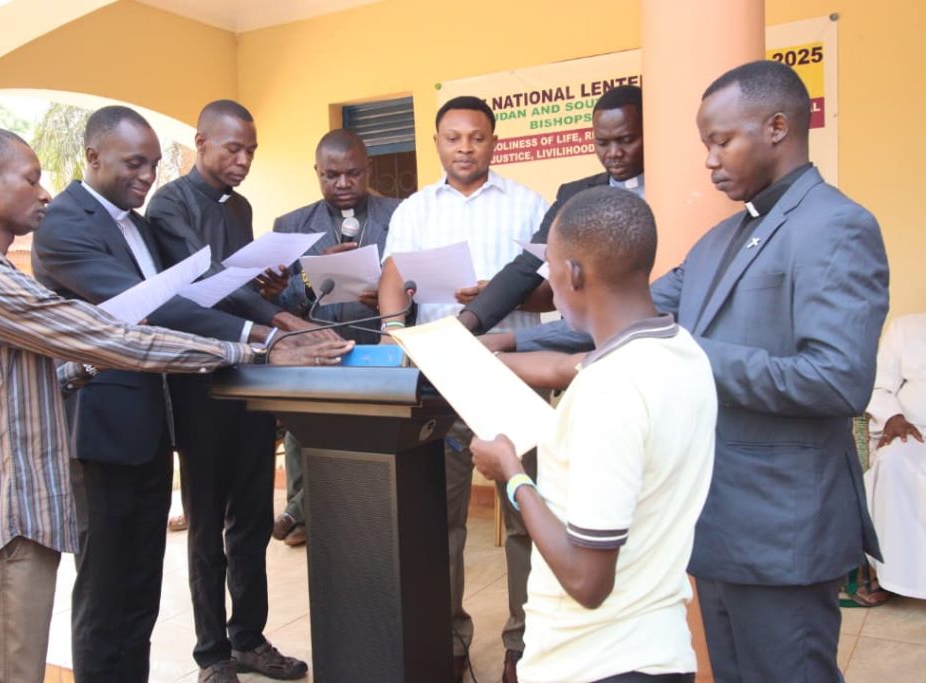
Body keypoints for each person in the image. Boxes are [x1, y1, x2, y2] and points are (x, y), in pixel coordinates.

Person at [0, 125, 346, 683]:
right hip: (2, 513)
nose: (44, 192)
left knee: (126, 606)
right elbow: (114, 335)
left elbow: (42, 367)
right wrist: (260, 347)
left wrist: (85, 366)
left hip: (68, 477)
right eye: (31, 178)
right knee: (18, 659)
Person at [508, 60, 889, 681]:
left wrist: (683, 354)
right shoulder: (722, 237)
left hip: (783, 528)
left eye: (721, 141)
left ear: (777, 128)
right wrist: (496, 339)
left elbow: (837, 378)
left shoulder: (837, 226)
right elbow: (626, 306)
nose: (709, 160)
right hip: (715, 525)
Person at [471, 186, 715, 683]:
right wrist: (478, 358)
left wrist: (512, 474)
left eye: (550, 270)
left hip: (592, 663)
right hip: (657, 648)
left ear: (574, 274)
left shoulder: (608, 391)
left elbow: (587, 582)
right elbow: (565, 366)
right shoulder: (681, 352)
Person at [378, 96, 549, 683]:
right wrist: (393, 333)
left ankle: (524, 644)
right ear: (437, 143)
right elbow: (393, 279)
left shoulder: (529, 204)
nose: (465, 148)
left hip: (511, 374)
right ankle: (448, 639)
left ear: (493, 141)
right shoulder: (414, 210)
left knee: (526, 514)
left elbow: (553, 289)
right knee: (441, 518)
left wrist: (503, 291)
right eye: (453, 138)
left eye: (476, 137)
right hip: (439, 377)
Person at [146, 100, 314, 681]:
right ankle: (212, 653)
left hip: (249, 374)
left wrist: (269, 287)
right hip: (199, 379)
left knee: (252, 517)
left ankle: (249, 638)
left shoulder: (240, 207)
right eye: (233, 149)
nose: (243, 161)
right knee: (206, 524)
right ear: (201, 142)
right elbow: (204, 279)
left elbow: (237, 281)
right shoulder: (168, 203)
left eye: (251, 151)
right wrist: (277, 319)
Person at [270, 128, 401, 546]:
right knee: (305, 436)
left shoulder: (401, 215)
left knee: (371, 441)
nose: (343, 183)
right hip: (314, 352)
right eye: (331, 175)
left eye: (353, 173)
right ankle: (302, 517)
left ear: (369, 168)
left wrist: (390, 294)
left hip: (378, 348)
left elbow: (419, 282)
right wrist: (312, 278)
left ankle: (314, 512)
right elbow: (277, 300)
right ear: (317, 172)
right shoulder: (290, 226)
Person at [459, 85, 645, 336]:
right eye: (602, 142)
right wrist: (465, 324)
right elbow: (527, 267)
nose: (614, 153)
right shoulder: (573, 195)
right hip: (586, 338)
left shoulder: (678, 195)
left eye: (626, 140)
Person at [862, 313, 926, 601]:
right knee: (892, 464)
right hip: (913, 433)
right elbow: (878, 385)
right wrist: (892, 417)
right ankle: (894, 579)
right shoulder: (905, 327)